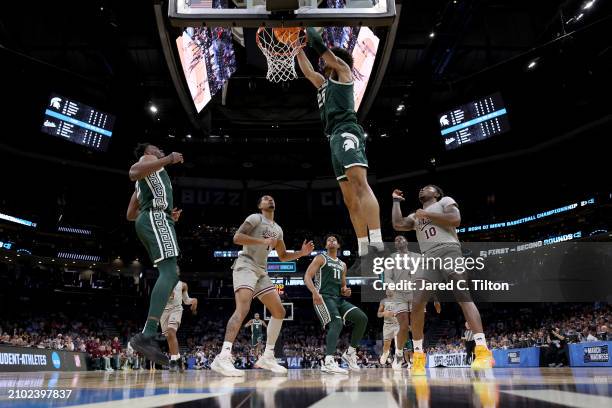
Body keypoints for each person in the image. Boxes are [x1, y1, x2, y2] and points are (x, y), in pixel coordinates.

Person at [296, 28, 382, 259]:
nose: (322, 63)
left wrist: (306, 28)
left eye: (327, 60)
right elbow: (308, 71)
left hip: (346, 131)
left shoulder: (344, 73)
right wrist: (296, 47)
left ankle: (377, 240)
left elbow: (325, 53)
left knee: (359, 183)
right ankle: (364, 245)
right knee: (349, 199)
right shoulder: (323, 84)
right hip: (333, 138)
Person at [391, 185, 494, 375]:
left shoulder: (445, 202)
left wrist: (427, 215)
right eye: (420, 189)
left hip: (449, 249)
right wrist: (396, 201)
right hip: (427, 257)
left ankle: (482, 350)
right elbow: (398, 224)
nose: (421, 190)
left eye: (426, 188)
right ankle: (419, 356)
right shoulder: (416, 215)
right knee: (417, 303)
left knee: (463, 295)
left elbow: (455, 220)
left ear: (437, 193)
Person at [211, 195, 314, 376]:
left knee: (280, 311)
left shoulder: (278, 229)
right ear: (260, 205)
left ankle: (267, 356)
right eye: (266, 199)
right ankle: (223, 356)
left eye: (272, 198)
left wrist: (301, 253)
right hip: (246, 264)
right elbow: (237, 237)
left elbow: (282, 256)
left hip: (261, 271)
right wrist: (262, 241)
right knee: (243, 309)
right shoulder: (255, 218)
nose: (270, 200)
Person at [126, 143, 184, 366]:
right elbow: (133, 172)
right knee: (170, 273)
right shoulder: (148, 161)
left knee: (170, 273)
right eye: (156, 149)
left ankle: (148, 333)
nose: (160, 150)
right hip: (156, 218)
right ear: (148, 152)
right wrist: (168, 158)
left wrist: (166, 212)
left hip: (153, 219)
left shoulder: (144, 183)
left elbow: (130, 214)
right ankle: (147, 334)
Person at [304, 234, 368, 374]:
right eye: (329, 240)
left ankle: (350, 353)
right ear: (326, 245)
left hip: (338, 299)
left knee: (362, 318)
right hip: (323, 297)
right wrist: (314, 293)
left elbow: (343, 287)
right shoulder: (321, 258)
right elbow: (307, 276)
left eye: (334, 240)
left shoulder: (342, 265)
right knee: (337, 323)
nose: (331, 241)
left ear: (338, 245)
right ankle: (328, 361)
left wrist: (346, 291)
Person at [161, 277, 198, 372]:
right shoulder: (161, 282)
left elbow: (186, 300)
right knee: (169, 337)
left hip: (176, 309)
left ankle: (173, 360)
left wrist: (193, 301)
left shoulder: (183, 285)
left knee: (171, 331)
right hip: (163, 311)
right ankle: (178, 358)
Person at [377, 297, 400, 368]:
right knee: (387, 344)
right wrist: (384, 313)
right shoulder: (383, 301)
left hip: (398, 324)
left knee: (398, 344)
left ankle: (397, 361)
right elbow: (378, 314)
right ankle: (385, 353)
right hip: (387, 325)